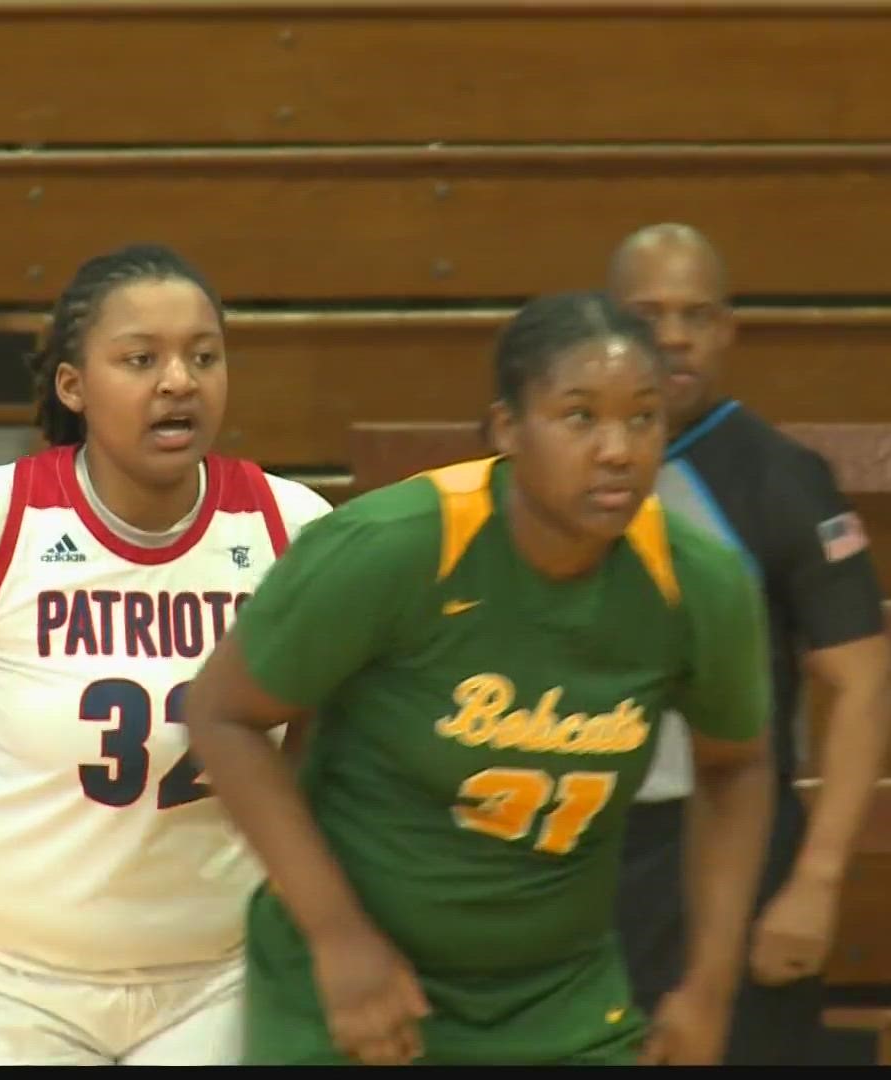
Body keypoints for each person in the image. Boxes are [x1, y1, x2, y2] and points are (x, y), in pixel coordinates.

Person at [182, 290, 778, 1066]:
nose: (618, 450)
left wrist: (707, 988)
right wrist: (338, 937)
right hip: (362, 980)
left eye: (643, 418)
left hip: (558, 998)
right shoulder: (394, 547)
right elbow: (222, 715)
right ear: (507, 430)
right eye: (579, 417)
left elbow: (737, 767)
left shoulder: (698, 584)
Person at [0, 243, 332, 1065]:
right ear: (73, 387)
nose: (178, 380)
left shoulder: (291, 532)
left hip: (221, 977)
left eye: (203, 356)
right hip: (2, 977)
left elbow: (332, 724)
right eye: (141, 358)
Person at [607, 223, 891, 1065]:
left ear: (727, 330)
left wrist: (815, 882)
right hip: (580, 845)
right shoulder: (548, 470)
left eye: (696, 315)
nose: (672, 337)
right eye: (646, 314)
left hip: (730, 844)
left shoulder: (778, 477)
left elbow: (864, 686)